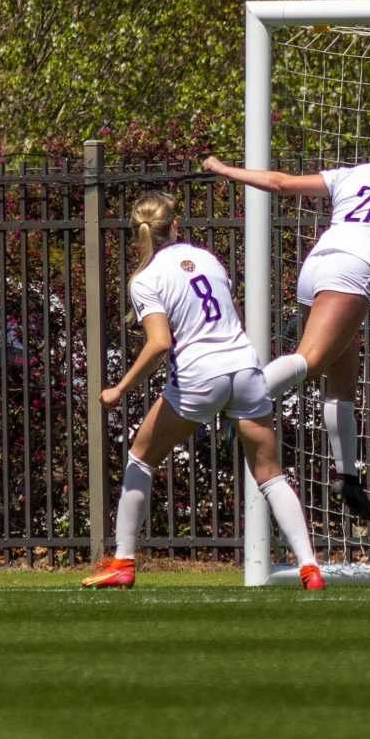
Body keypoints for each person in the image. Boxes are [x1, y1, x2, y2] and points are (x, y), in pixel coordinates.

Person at [200, 106, 370, 526]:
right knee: (314, 359)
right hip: (351, 272)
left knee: (342, 374)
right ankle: (233, 399)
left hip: (316, 264)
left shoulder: (351, 173)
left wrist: (225, 168)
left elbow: (280, 183)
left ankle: (348, 476)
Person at [82, 192, 324, 591]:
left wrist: (120, 388)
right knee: (271, 477)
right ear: (175, 226)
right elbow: (229, 313)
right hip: (244, 366)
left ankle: (123, 561)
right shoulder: (208, 260)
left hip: (200, 376)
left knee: (140, 458)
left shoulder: (145, 279)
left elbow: (160, 343)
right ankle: (310, 567)